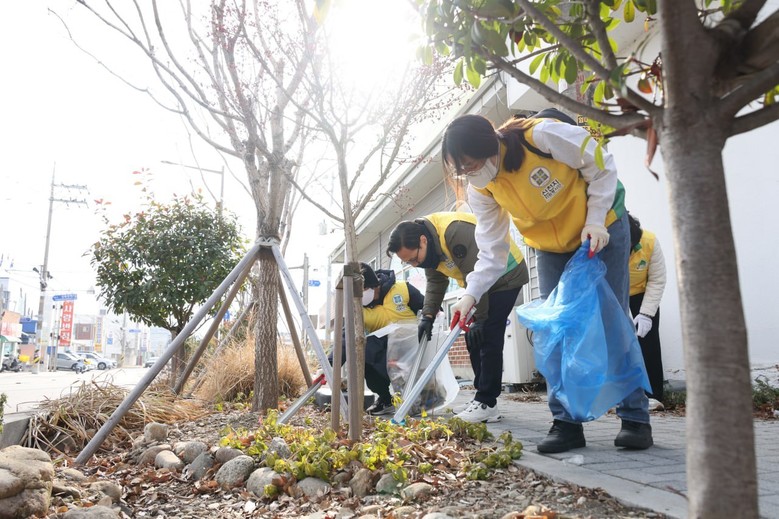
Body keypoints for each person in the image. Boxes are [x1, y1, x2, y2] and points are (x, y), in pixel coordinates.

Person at [441, 110, 653, 452]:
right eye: (461, 169)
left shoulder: (539, 136)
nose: (469, 174)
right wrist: (471, 294)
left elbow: (601, 165)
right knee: (554, 330)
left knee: (612, 322)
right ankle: (566, 424)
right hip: (551, 247)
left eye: (470, 164)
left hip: (601, 229)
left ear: (488, 144)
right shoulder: (483, 189)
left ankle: (635, 419)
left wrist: (596, 219)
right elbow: (493, 250)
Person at [386, 212, 529, 423]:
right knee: (473, 338)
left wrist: (481, 319)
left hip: (506, 274)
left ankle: (487, 402)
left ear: (423, 240)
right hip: (480, 285)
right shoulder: (431, 249)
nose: (415, 265)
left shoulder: (454, 232)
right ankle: (480, 398)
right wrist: (427, 315)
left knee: (488, 333)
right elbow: (436, 282)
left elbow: (478, 273)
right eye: (409, 262)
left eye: (414, 259)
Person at [329, 262, 424, 416]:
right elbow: (346, 336)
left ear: (373, 286)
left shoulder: (402, 289)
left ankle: (428, 395)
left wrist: (431, 317)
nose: (359, 297)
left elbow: (427, 307)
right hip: (386, 352)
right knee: (365, 349)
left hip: (414, 346)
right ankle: (386, 399)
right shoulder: (359, 308)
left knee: (420, 382)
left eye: (362, 291)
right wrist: (330, 364)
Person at [628, 213, 667, 409]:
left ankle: (654, 395)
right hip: (612, 292)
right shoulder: (603, 241)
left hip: (641, 293)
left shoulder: (649, 241)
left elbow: (657, 279)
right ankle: (618, 393)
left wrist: (646, 314)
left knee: (648, 340)